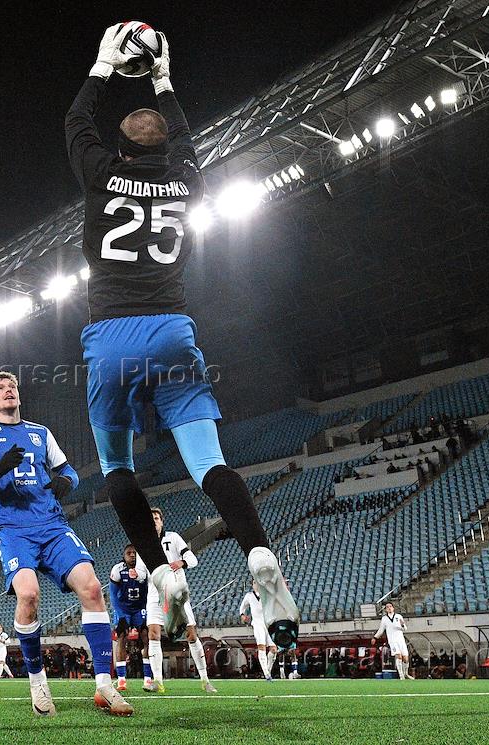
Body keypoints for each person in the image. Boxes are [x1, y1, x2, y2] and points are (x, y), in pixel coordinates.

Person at [66, 23, 298, 654]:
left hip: (110, 338)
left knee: (118, 468)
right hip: (172, 330)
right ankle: (259, 553)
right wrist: (164, 79)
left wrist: (103, 66)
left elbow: (76, 122)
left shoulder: (100, 173)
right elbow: (190, 142)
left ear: (119, 148)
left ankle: (162, 574)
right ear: (167, 147)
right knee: (209, 464)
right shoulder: (186, 182)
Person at [0, 371, 131, 716]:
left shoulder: (40, 433)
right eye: (0, 388)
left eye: (12, 386)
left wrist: (67, 482)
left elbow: (69, 472)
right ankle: (38, 684)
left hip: (52, 525)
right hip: (12, 529)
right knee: (28, 595)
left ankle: (104, 686)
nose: (8, 390)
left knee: (93, 588)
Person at [138, 507, 215, 693]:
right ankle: (158, 682)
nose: (154, 521)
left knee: (191, 635)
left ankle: (205, 680)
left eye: (156, 518)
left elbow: (192, 559)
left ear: (162, 521)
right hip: (155, 595)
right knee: (153, 634)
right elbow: (141, 573)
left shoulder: (173, 537)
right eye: (150, 519)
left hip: (177, 593)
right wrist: (135, 574)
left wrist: (181, 562)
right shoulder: (143, 544)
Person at [109, 544, 150, 691]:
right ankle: (121, 680)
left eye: (135, 552)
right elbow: (113, 595)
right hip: (124, 608)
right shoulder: (117, 569)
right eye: (129, 553)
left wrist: (148, 609)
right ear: (124, 555)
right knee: (121, 637)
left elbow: (151, 591)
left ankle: (148, 679)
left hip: (140, 608)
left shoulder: (145, 569)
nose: (132, 555)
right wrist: (120, 615)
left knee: (147, 637)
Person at [239, 582, 275, 682]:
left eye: (257, 582)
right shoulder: (249, 596)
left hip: (269, 624)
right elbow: (242, 607)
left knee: (273, 650)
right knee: (261, 647)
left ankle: (268, 670)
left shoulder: (267, 594)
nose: (256, 584)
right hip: (258, 624)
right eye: (254, 582)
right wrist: (243, 615)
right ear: (252, 585)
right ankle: (266, 674)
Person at [371, 602, 413, 679]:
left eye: (390, 606)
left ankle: (406, 674)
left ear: (393, 608)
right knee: (398, 656)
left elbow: (405, 628)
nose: (389, 608)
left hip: (401, 639)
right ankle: (401, 675)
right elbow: (381, 630)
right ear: (386, 609)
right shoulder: (384, 619)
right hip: (392, 641)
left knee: (406, 658)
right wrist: (375, 637)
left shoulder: (398, 616)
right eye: (387, 607)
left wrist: (402, 625)